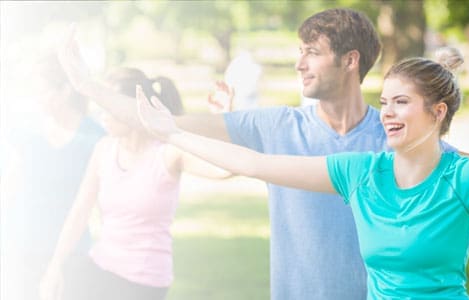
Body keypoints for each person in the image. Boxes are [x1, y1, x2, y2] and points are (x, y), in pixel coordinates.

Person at [57, 9, 382, 298]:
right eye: (300, 52)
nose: (299, 64)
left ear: (350, 60)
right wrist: (86, 85)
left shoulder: (393, 138)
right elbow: (161, 122)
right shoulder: (277, 127)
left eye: (312, 53)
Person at [136, 47, 469, 299]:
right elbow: (255, 163)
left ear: (437, 113)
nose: (386, 113)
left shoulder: (466, 178)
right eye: (384, 102)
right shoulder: (361, 172)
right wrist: (174, 133)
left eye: (401, 103)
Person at [39, 67, 230, 300]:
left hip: (144, 280)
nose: (103, 114)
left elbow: (225, 169)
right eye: (102, 106)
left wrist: (224, 125)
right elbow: (79, 212)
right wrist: (55, 265)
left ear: (133, 108)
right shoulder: (104, 149)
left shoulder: (168, 153)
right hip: (101, 266)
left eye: (111, 107)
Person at [0, 52, 105, 300]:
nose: (36, 99)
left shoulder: (96, 138)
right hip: (19, 248)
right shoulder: (25, 131)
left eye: (41, 90)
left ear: (66, 90)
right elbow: (7, 189)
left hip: (71, 254)